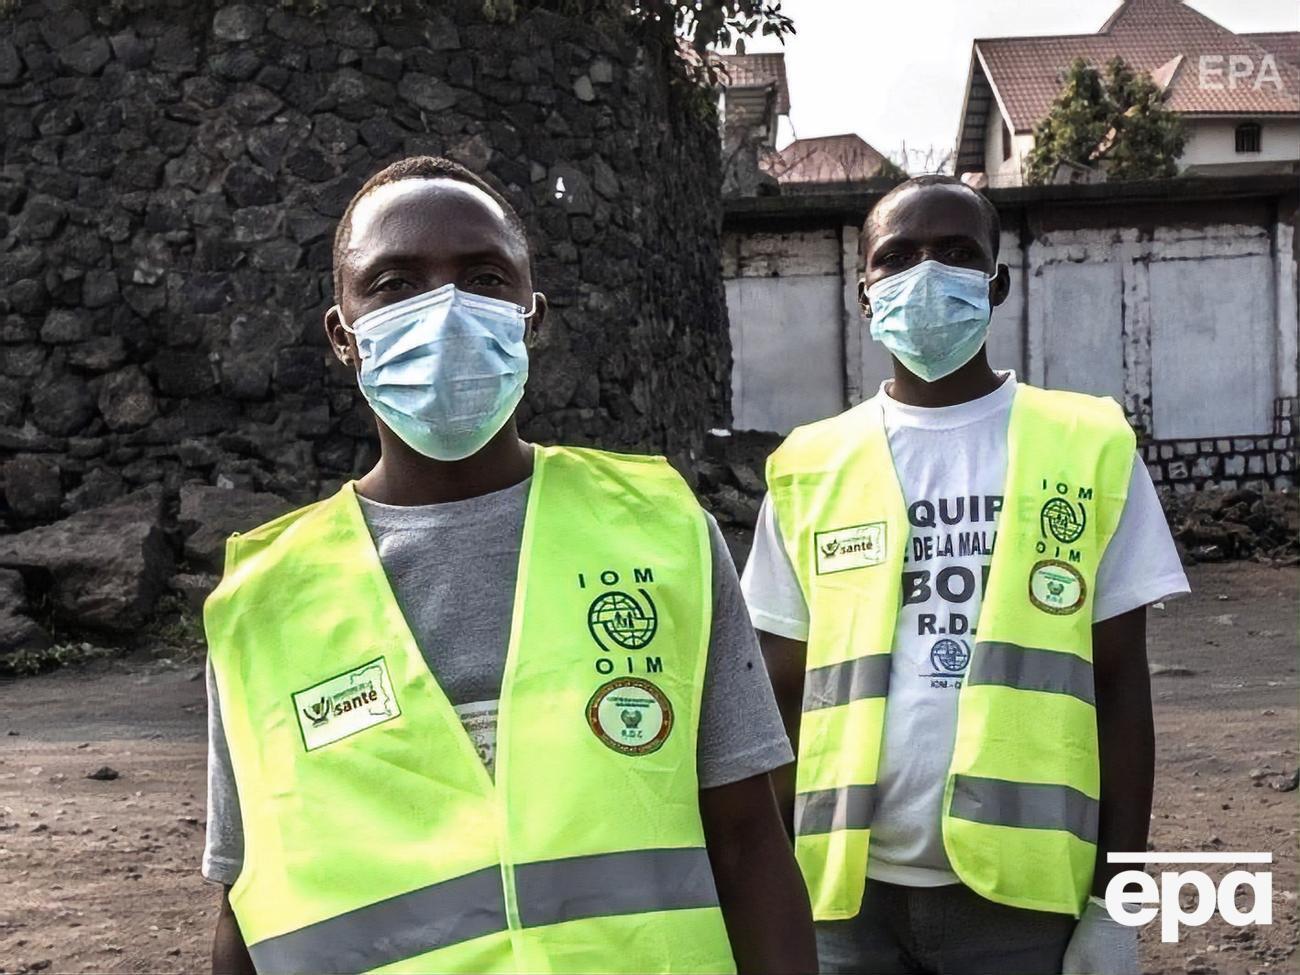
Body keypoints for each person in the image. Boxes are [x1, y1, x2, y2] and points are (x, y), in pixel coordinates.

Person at [202, 155, 816, 975]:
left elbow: (748, 843)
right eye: (393, 283)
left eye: (484, 277)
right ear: (342, 336)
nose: (445, 309)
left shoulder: (662, 536)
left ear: (531, 315)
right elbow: (250, 903)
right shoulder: (261, 602)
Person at [741, 174, 1189, 975]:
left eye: (956, 253)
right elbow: (776, 695)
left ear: (997, 282)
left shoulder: (1087, 446)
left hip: (1023, 905)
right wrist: (763, 892)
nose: (927, 274)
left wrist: (1119, 907)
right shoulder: (810, 464)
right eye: (899, 256)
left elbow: (1122, 691)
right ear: (865, 291)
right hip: (846, 898)